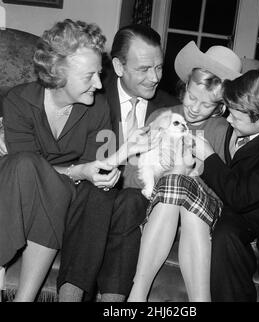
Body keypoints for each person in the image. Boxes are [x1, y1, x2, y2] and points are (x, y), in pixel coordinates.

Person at [0, 19, 151, 302]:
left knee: (60, 186)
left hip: (67, 197)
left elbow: (95, 170)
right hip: (20, 189)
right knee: (23, 166)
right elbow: (26, 164)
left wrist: (106, 167)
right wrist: (80, 169)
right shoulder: (18, 101)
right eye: (88, 76)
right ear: (58, 74)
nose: (98, 83)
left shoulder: (98, 108)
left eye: (99, 73)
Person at [57, 24, 179, 302]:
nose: (155, 77)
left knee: (131, 201)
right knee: (96, 193)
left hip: (138, 199)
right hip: (92, 194)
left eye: (159, 67)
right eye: (144, 69)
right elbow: (74, 158)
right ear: (118, 66)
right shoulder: (91, 97)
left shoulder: (170, 108)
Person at [127, 41, 242, 302]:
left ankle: (137, 296)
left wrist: (196, 171)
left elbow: (227, 189)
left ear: (221, 106)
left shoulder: (223, 132)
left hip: (202, 212)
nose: (194, 107)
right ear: (185, 87)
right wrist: (161, 172)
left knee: (180, 179)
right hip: (160, 205)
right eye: (191, 96)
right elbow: (133, 176)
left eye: (205, 104)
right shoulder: (162, 116)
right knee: (174, 179)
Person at [194, 62, 259, 302]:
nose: (228, 119)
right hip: (241, 214)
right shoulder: (239, 122)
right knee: (224, 236)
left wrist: (208, 156)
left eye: (236, 117)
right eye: (229, 110)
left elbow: (240, 196)